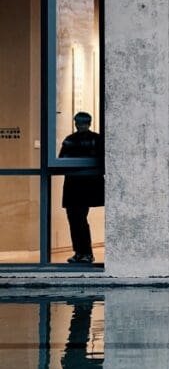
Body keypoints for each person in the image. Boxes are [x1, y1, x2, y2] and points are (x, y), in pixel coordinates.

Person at [59, 111, 104, 264]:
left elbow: (62, 160)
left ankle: (82, 252)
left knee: (76, 220)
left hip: (75, 184)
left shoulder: (70, 140)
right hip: (89, 184)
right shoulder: (97, 139)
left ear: (75, 123)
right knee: (79, 220)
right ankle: (83, 253)